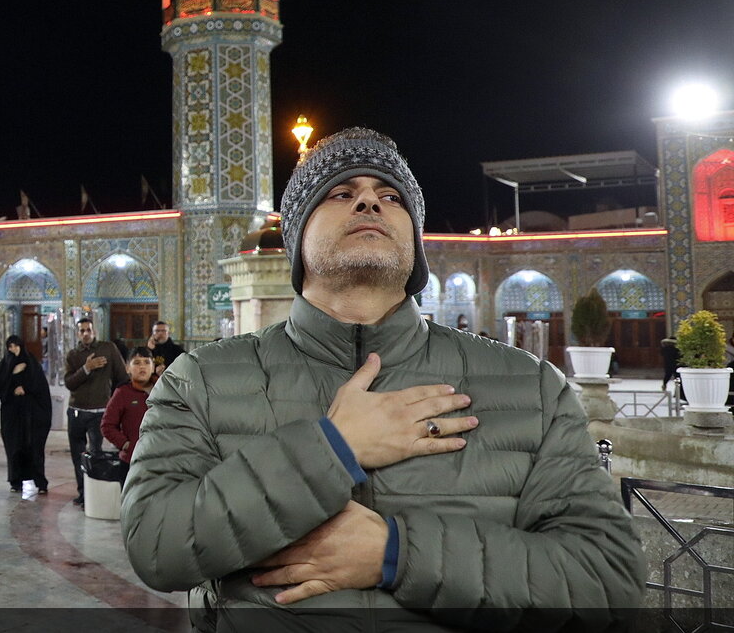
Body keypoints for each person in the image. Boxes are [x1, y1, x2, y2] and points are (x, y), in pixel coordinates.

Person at [122, 127, 645, 628]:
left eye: (391, 197)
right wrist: (332, 448)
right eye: (341, 192)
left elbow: (607, 582)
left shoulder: (530, 388)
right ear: (296, 237)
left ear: (415, 243)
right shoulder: (202, 381)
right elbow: (158, 546)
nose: (369, 202)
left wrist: (395, 554)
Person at [63, 317, 127, 507]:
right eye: (82, 331)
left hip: (99, 412)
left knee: (95, 453)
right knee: (77, 455)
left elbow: (122, 377)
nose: (85, 334)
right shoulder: (73, 355)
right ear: (77, 333)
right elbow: (69, 383)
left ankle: (93, 495)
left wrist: (115, 404)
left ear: (94, 331)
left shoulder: (108, 349)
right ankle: (83, 493)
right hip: (76, 411)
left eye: (88, 330)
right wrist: (86, 369)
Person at [0, 334, 50, 494]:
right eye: (10, 347)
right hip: (12, 414)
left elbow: (40, 386)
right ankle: (16, 481)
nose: (13, 350)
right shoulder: (3, 365)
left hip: (32, 414)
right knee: (14, 447)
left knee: (34, 447)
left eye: (16, 346)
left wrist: (25, 388)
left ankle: (40, 482)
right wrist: (14, 374)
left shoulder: (31, 363)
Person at [100, 347, 155, 484]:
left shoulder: (164, 390)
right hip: (131, 462)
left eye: (146, 362)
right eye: (136, 362)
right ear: (127, 368)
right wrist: (126, 444)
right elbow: (107, 426)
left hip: (160, 463)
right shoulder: (122, 393)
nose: (142, 366)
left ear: (153, 367)